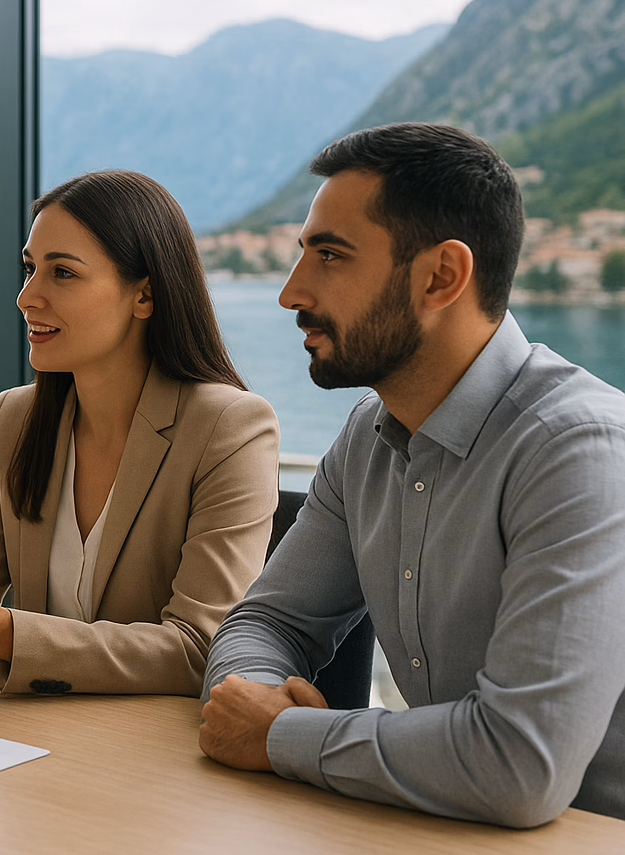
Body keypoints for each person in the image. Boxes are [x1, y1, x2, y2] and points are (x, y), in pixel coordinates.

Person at [199, 123, 625, 826]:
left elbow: (519, 766)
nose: (290, 292)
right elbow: (267, 620)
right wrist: (257, 698)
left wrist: (281, 736)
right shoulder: (367, 437)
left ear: (441, 277)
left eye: (330, 256)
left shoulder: (581, 453)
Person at [0, 171, 279, 695]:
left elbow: (199, 648)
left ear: (145, 295)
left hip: (153, 760)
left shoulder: (231, 428)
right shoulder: (15, 419)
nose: (26, 297)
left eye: (62, 273)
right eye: (29, 269)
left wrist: (2, 633)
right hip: (32, 748)